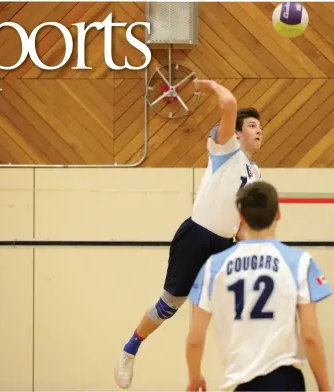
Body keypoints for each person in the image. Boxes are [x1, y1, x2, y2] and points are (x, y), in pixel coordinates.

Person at [114, 79, 263, 389]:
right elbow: (230, 105)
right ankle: (130, 349)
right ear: (236, 133)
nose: (258, 129)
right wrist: (205, 85)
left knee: (222, 310)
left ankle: (213, 375)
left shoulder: (255, 173)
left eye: (260, 126)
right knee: (169, 305)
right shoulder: (225, 149)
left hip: (224, 244)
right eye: (251, 125)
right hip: (196, 235)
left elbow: (242, 222)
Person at [185, 181, 332, 391]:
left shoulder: (214, 267)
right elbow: (310, 336)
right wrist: (325, 388)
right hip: (286, 382)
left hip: (242, 383)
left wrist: (195, 377)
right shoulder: (300, 263)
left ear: (241, 218)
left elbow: (195, 339)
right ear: (278, 214)